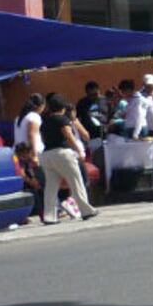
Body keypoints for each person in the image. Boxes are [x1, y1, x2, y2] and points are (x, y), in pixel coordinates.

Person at [39, 94, 98, 224]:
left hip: (47, 155)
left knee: (51, 187)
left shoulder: (45, 122)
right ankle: (86, 210)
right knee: (76, 182)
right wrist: (78, 150)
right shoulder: (62, 120)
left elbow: (44, 140)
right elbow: (69, 137)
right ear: (63, 108)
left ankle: (49, 216)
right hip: (62, 153)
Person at [14, 93, 45, 159]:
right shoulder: (34, 116)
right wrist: (34, 154)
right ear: (40, 106)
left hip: (19, 152)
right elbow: (31, 135)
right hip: (31, 153)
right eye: (43, 108)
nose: (43, 110)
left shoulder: (19, 117)